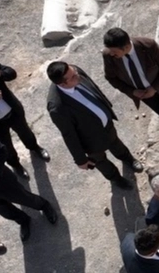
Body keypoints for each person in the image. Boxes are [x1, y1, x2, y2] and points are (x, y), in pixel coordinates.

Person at [45, 61, 144, 190]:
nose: (77, 75)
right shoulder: (57, 107)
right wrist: (80, 160)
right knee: (101, 162)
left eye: (74, 71)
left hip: (106, 125)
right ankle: (116, 179)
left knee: (116, 144)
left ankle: (129, 160)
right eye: (73, 77)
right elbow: (69, 135)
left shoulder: (74, 72)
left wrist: (107, 107)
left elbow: (93, 87)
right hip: (91, 141)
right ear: (63, 84)